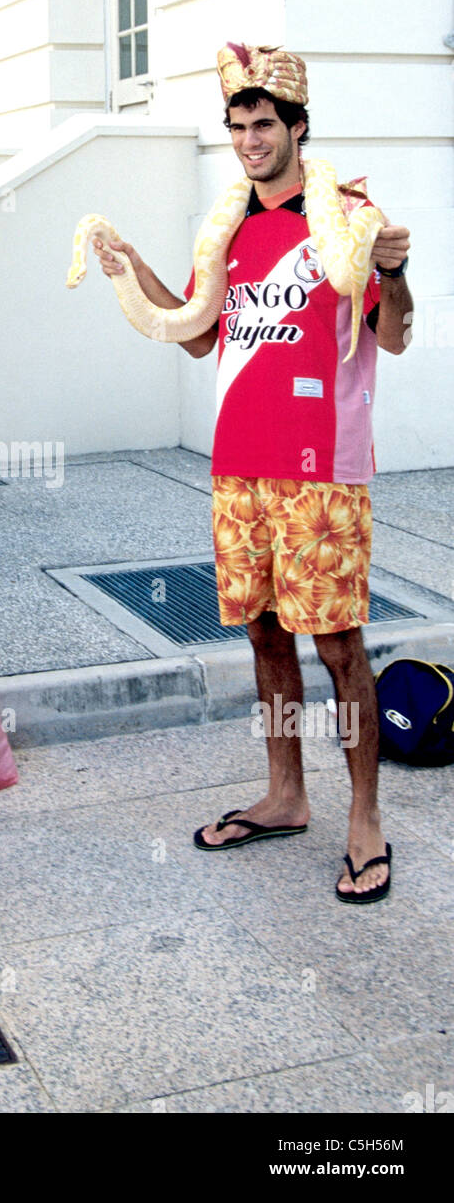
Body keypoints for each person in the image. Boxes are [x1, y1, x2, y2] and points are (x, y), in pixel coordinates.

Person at [96, 44, 412, 904]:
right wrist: (130, 266)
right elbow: (197, 332)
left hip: (322, 475)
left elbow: (394, 335)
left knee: (338, 644)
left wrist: (393, 271)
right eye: (236, 127)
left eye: (263, 124)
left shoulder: (348, 216)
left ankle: (364, 820)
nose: (248, 140)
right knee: (264, 636)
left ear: (299, 127)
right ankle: (284, 794)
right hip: (240, 468)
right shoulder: (227, 226)